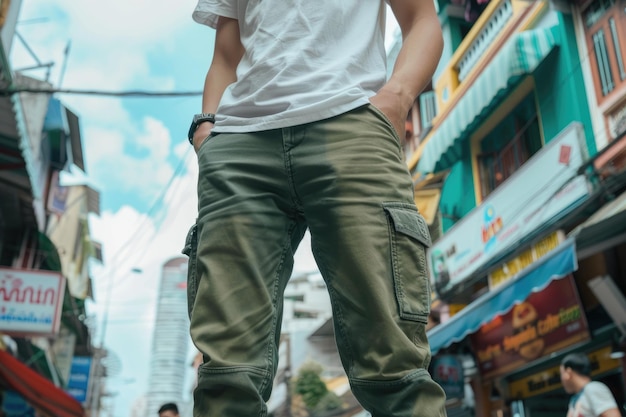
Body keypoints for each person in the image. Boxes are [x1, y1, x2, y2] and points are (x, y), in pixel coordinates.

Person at [184, 0, 447, 416]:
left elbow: (422, 20)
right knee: (226, 376)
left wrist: (396, 98)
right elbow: (226, 54)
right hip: (240, 145)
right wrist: (207, 130)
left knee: (395, 366)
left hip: (352, 125)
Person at [560, 353, 621, 417]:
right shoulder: (574, 400)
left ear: (568, 372)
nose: (561, 380)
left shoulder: (592, 388)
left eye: (561, 374)